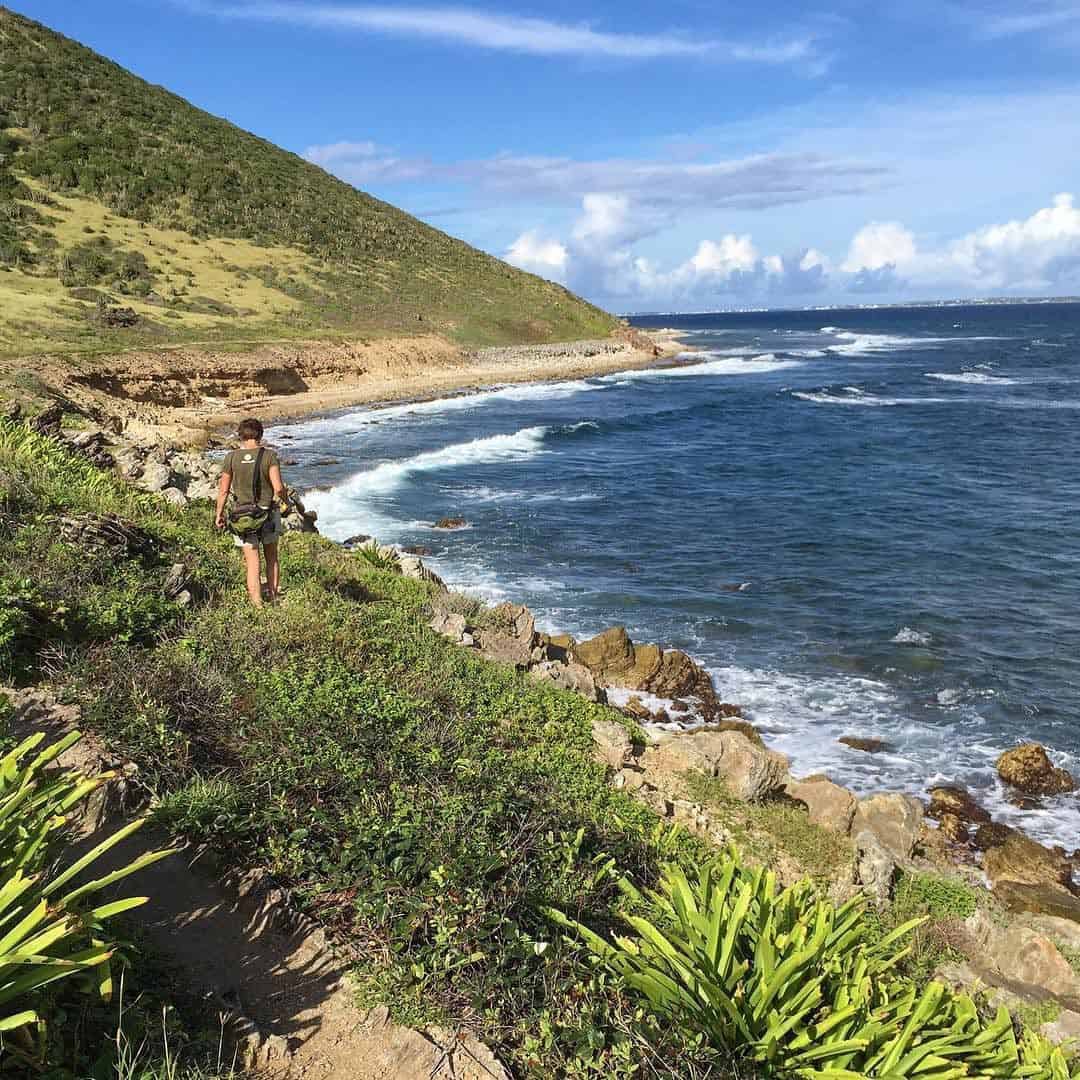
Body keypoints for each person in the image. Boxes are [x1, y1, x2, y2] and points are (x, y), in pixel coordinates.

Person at [215, 418, 287, 606]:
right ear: (260, 434)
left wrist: (219, 514)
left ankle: (257, 605)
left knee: (252, 562)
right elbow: (278, 488)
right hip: (268, 514)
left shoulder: (231, 457)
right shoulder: (269, 455)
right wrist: (286, 502)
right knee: (271, 557)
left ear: (240, 435)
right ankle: (273, 597)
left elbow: (223, 490)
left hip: (243, 517)